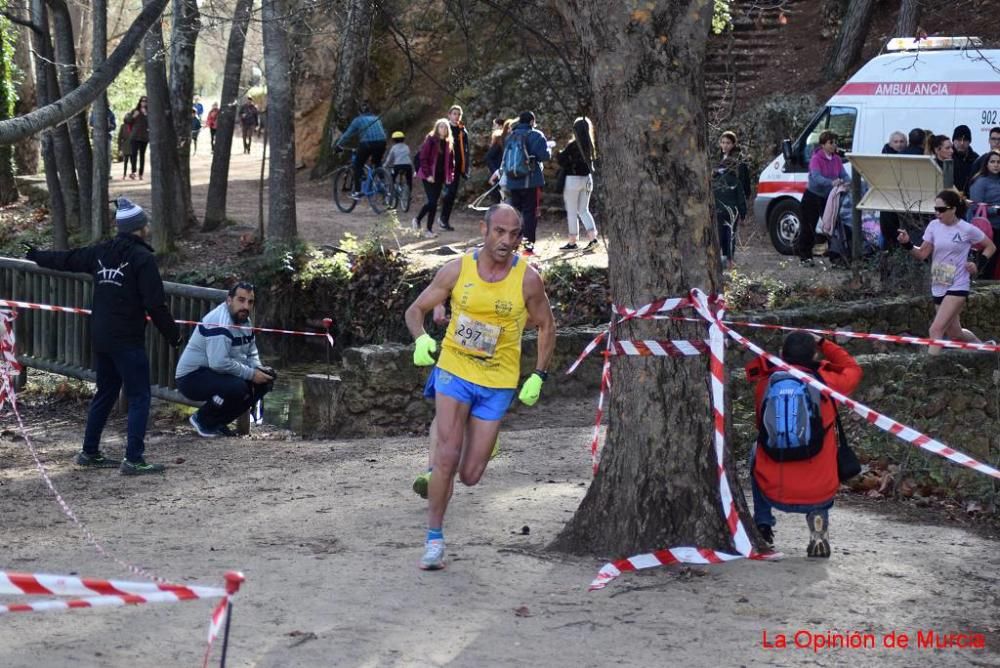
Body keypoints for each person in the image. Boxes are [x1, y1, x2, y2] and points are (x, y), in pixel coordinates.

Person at [404, 203, 556, 570]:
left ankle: (480, 440)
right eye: (499, 232)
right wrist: (421, 339)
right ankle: (434, 540)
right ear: (483, 230)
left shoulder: (527, 279)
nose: (506, 241)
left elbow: (546, 326)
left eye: (514, 234)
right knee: (445, 458)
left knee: (470, 475)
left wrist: (538, 374)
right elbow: (416, 310)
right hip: (454, 369)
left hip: (498, 382)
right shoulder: (458, 268)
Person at [25, 198, 182, 475]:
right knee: (140, 396)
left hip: (101, 336)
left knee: (106, 392)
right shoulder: (143, 259)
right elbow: (155, 304)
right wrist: (173, 336)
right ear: (140, 227)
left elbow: (68, 259)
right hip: (127, 339)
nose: (147, 228)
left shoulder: (100, 252)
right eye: (145, 224)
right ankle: (134, 459)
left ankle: (89, 451)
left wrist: (35, 254)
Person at [747, 331, 862, 557]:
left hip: (774, 487)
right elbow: (854, 369)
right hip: (817, 490)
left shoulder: (766, 383)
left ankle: (762, 523)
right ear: (814, 355)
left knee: (755, 451)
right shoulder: (827, 381)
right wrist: (823, 342)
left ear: (782, 354)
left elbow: (761, 425)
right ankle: (818, 531)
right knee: (823, 457)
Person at [897, 190, 996, 354]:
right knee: (955, 334)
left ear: (953, 209)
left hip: (958, 285)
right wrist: (907, 244)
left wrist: (977, 264)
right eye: (935, 209)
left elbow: (990, 246)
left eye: (941, 210)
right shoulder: (933, 226)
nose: (937, 213)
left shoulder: (966, 229)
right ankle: (987, 350)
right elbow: (922, 254)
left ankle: (927, 373)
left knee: (935, 330)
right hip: (939, 282)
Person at [175, 282, 275, 438]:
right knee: (237, 387)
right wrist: (251, 374)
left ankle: (216, 423)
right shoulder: (220, 322)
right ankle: (202, 420)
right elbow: (219, 363)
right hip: (191, 377)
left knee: (265, 381)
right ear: (229, 300)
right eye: (241, 300)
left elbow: (251, 352)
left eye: (250, 302)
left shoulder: (244, 321)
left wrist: (258, 369)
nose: (246, 306)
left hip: (213, 373)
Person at [492, 111, 552, 256]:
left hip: (513, 181)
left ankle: (513, 245)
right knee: (530, 213)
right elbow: (544, 156)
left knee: (515, 214)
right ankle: (528, 246)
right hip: (530, 181)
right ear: (532, 121)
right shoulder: (536, 135)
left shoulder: (510, 136)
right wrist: (549, 149)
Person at [797, 131, 848, 266]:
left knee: (832, 227)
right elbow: (816, 177)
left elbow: (843, 174)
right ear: (823, 144)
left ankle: (836, 258)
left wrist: (848, 183)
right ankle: (805, 257)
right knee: (808, 226)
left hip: (829, 198)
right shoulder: (816, 159)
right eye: (831, 142)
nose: (834, 145)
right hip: (812, 197)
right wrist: (831, 182)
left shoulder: (836, 159)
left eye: (835, 142)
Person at [555, 116, 599, 251]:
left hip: (572, 180)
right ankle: (593, 238)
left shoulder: (573, 145)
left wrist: (558, 153)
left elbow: (562, 161)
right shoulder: (591, 145)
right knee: (584, 210)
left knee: (572, 212)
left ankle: (572, 241)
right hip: (587, 179)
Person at [411, 119, 454, 239]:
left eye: (445, 128)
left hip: (440, 177)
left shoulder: (448, 143)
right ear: (436, 128)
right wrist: (428, 174)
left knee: (433, 203)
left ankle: (421, 222)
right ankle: (425, 226)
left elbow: (451, 163)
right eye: (441, 127)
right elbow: (423, 159)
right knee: (432, 202)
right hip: (428, 176)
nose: (443, 129)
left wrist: (449, 176)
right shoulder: (430, 140)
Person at [335, 102, 387, 199]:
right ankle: (384, 183)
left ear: (359, 112)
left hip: (367, 143)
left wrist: (338, 144)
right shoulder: (376, 118)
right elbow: (384, 132)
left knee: (358, 165)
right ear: (370, 111)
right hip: (382, 142)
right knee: (377, 162)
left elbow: (348, 134)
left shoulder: (358, 120)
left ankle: (358, 191)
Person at [713, 130, 750, 265]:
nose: (725, 146)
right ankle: (723, 257)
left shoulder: (739, 162)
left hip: (733, 201)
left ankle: (729, 257)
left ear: (733, 144)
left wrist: (742, 206)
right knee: (720, 231)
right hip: (719, 203)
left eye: (728, 143)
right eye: (722, 142)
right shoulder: (717, 160)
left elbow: (744, 184)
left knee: (730, 232)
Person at [437, 105, 471, 232]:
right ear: (449, 115)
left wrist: (465, 168)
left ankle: (444, 220)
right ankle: (429, 220)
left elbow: (466, 151)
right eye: (454, 114)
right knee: (443, 193)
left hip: (456, 167)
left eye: (459, 114)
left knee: (451, 194)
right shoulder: (444, 128)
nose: (456, 116)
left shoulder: (463, 131)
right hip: (442, 166)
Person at [968, 150, 1000, 278]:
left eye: (998, 162)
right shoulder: (980, 181)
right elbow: (975, 206)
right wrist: (995, 210)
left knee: (994, 263)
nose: (996, 165)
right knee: (985, 261)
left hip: (999, 228)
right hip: (986, 228)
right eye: (992, 162)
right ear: (986, 164)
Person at [879, 131, 908, 249]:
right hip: (889, 198)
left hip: (903, 199)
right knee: (888, 230)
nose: (899, 144)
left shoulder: (908, 157)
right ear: (890, 143)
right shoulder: (886, 156)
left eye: (901, 141)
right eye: (896, 142)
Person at [951, 125, 979, 194]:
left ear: (969, 142)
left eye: (965, 140)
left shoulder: (977, 160)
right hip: (949, 198)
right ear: (953, 141)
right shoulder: (946, 157)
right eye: (959, 139)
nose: (962, 143)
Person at [89, 106, 116, 175]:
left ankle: (107, 173)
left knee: (107, 155)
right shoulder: (94, 112)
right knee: (97, 155)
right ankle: (97, 173)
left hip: (107, 136)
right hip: (96, 137)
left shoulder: (110, 113)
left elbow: (114, 126)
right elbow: (91, 123)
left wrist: (110, 125)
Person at [484, 118, 505, 204]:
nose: (493, 128)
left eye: (494, 125)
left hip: (498, 174)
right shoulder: (501, 139)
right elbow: (489, 157)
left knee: (499, 198)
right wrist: (495, 172)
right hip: (499, 174)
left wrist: (495, 172)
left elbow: (488, 157)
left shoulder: (500, 139)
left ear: (500, 126)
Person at [128, 96, 149, 180]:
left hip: (144, 137)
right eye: (142, 101)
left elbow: (152, 122)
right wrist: (133, 116)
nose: (143, 103)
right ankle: (133, 172)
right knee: (133, 154)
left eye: (145, 101)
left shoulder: (149, 112)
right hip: (134, 136)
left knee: (142, 155)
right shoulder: (135, 111)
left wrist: (146, 114)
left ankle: (141, 173)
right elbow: (127, 121)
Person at [117, 110, 133, 178]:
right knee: (126, 161)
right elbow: (120, 137)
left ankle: (132, 173)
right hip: (126, 145)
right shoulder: (123, 126)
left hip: (132, 144)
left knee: (132, 161)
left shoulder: (133, 126)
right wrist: (120, 148)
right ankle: (124, 174)